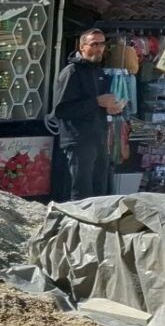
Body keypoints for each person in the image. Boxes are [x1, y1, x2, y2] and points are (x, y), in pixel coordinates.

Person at [50, 27, 123, 202]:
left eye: (102, 44)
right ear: (82, 47)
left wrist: (112, 107)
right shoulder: (72, 71)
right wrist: (97, 102)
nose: (99, 48)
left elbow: (101, 103)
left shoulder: (99, 72)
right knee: (81, 191)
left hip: (98, 137)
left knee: (100, 190)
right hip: (78, 139)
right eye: (94, 44)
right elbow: (61, 110)